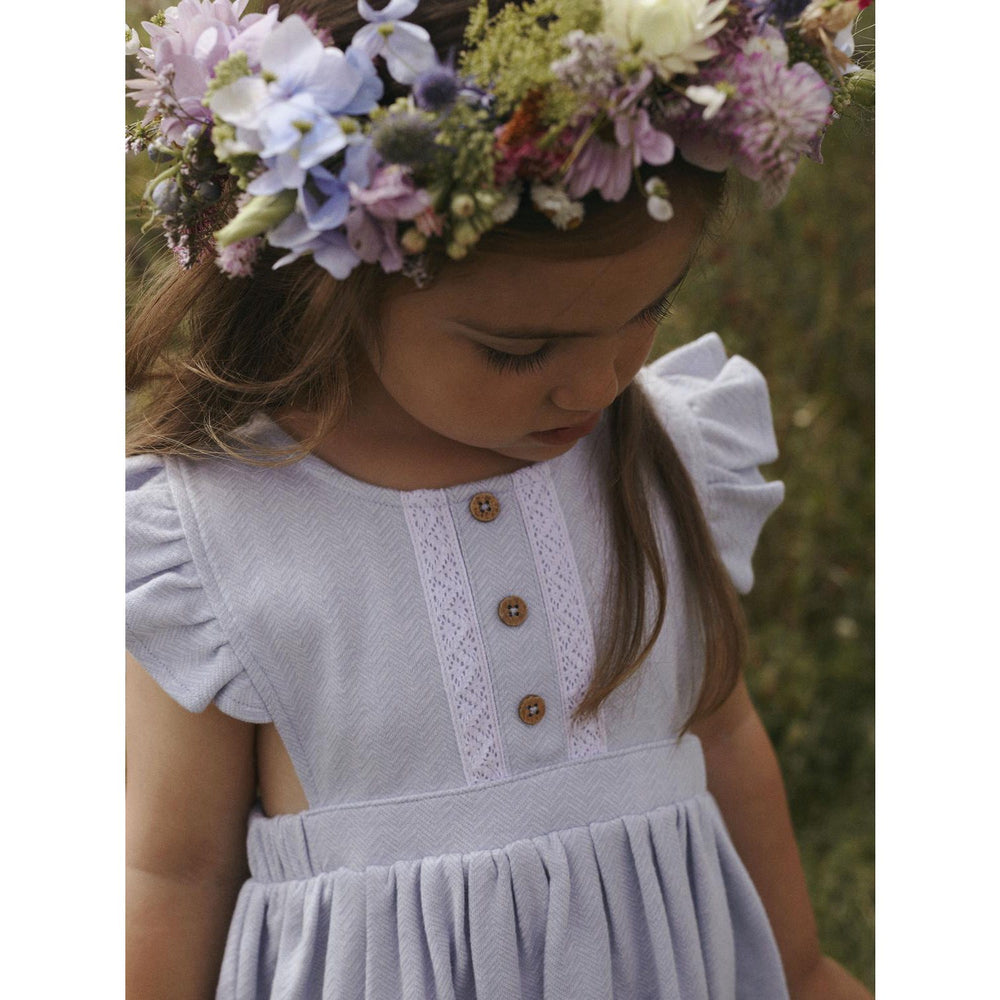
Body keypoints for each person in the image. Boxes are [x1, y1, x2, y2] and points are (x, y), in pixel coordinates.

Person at [125, 1, 874, 997]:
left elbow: (723, 734)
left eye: (647, 309)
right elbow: (176, 867)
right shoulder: (217, 533)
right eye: (519, 351)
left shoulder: (660, 456)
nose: (597, 383)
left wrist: (804, 970)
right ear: (333, 279)